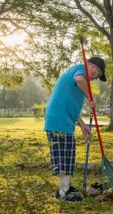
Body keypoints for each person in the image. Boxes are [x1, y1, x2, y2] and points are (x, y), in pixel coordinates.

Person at [44, 56, 106, 203]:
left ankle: (65, 188)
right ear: (91, 66)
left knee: (67, 154)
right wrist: (89, 96)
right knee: (63, 156)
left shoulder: (81, 79)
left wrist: (82, 125)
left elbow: (70, 105)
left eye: (97, 76)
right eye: (97, 73)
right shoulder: (80, 70)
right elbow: (79, 80)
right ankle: (64, 192)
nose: (95, 77)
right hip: (58, 120)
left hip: (64, 119)